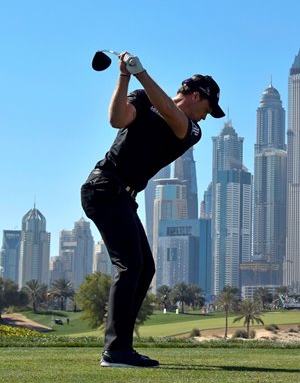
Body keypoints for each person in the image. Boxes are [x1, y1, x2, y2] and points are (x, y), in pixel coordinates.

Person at [81, 52, 224, 368]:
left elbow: (175, 117)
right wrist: (124, 76)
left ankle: (121, 349)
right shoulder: (143, 99)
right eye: (208, 108)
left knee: (143, 268)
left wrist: (142, 72)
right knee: (131, 266)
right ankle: (115, 352)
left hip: (122, 197)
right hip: (104, 187)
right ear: (196, 96)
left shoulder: (191, 130)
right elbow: (117, 120)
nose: (206, 116)